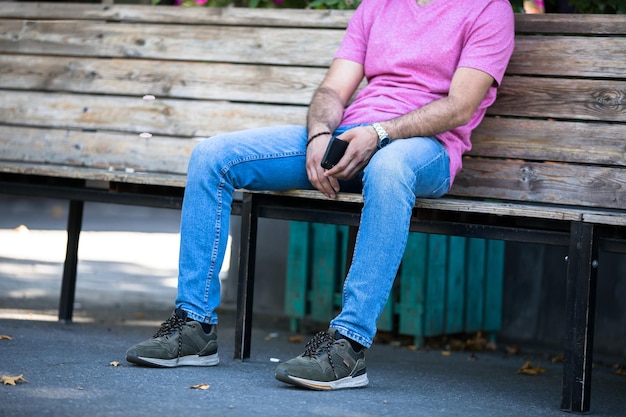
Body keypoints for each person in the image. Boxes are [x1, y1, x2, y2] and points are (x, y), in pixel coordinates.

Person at [125, 0, 515, 390]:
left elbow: (460, 107)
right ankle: (195, 327)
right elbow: (332, 88)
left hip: (423, 148)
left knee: (388, 167)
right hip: (350, 137)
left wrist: (380, 134)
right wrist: (319, 135)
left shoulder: (488, 9)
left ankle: (348, 346)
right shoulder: (378, 5)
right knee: (213, 157)